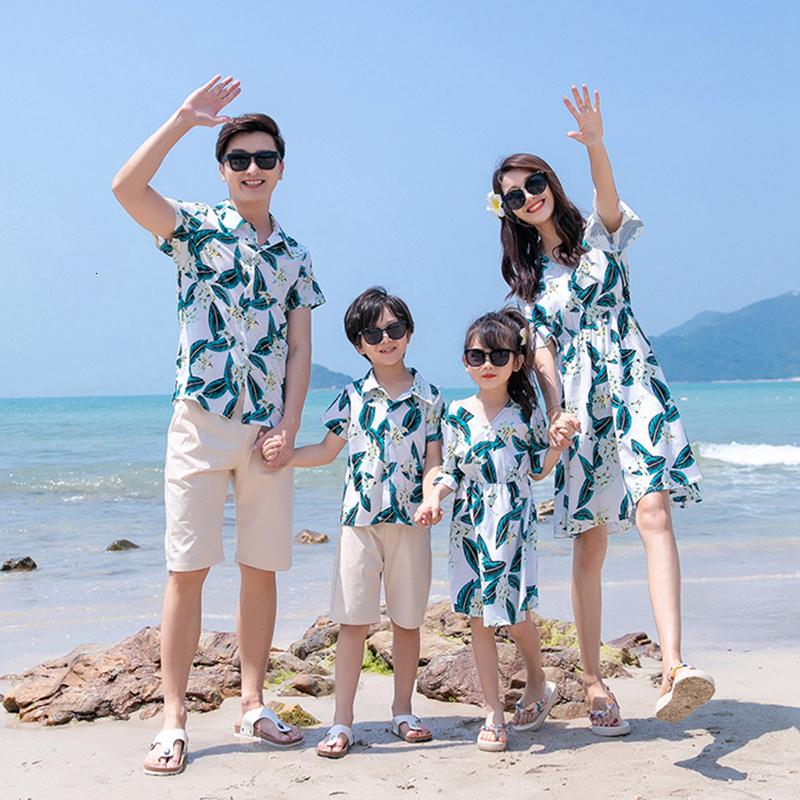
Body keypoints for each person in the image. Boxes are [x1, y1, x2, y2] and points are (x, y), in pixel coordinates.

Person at [112, 76, 325, 775]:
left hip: (267, 435)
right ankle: (172, 719)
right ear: (223, 168)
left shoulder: (294, 253)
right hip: (200, 422)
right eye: (239, 159)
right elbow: (125, 189)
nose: (253, 169)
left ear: (282, 167)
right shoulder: (195, 228)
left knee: (260, 569)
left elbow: (300, 348)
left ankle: (253, 701)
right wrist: (180, 119)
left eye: (265, 158)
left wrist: (291, 427)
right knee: (187, 570)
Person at [487, 84, 715, 734]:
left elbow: (608, 199)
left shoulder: (600, 240)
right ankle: (590, 678)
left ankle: (672, 666)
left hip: (637, 382)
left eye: (535, 181)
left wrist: (595, 145)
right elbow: (545, 358)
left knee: (654, 511)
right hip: (582, 409)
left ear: (551, 182)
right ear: (507, 211)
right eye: (515, 194)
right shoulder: (529, 290)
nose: (530, 194)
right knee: (589, 544)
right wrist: (557, 413)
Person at [266, 287, 443, 758]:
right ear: (359, 344)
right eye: (373, 332)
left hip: (412, 524)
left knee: (407, 623)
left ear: (409, 333)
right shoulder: (351, 397)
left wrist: (432, 497)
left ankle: (403, 710)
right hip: (358, 524)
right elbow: (326, 452)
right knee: (352, 622)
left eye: (395, 329)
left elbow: (434, 462)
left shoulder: (431, 399)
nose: (386, 339)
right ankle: (341, 721)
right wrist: (283, 457)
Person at [414, 309, 577, 752]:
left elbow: (539, 471)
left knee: (517, 615)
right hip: (469, 523)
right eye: (476, 355)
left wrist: (558, 448)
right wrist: (432, 501)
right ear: (465, 361)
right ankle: (492, 712)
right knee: (479, 620)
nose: (487, 363)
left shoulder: (526, 414)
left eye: (498, 354)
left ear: (517, 361)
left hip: (514, 520)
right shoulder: (456, 414)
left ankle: (538, 680)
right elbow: (449, 472)